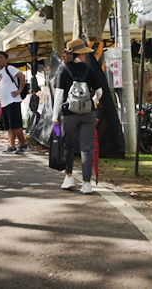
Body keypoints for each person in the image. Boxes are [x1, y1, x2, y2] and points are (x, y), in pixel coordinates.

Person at [52, 39, 105, 194]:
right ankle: (86, 183)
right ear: (79, 54)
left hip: (69, 114)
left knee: (68, 145)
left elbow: (59, 95)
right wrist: (93, 101)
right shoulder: (88, 69)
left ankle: (69, 177)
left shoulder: (63, 69)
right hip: (88, 113)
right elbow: (100, 91)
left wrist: (55, 116)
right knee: (86, 149)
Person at [0, 50, 27, 153]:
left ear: (5, 59)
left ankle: (23, 144)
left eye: (0, 57)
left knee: (16, 125)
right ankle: (12, 145)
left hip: (13, 101)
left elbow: (22, 76)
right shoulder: (0, 73)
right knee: (9, 126)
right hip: (4, 103)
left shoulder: (9, 68)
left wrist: (19, 90)